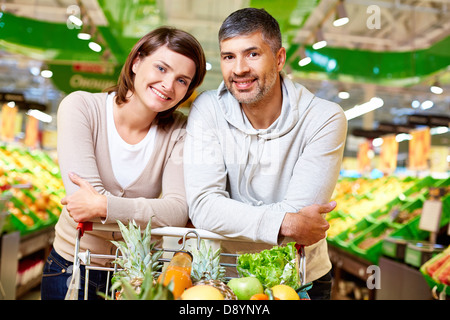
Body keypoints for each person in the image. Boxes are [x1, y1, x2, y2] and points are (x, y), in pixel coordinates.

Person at [183, 8, 347, 300]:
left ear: (280, 58)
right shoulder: (207, 108)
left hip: (298, 279)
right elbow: (204, 208)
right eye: (228, 57)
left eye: (252, 54)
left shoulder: (324, 118)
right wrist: (286, 222)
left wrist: (232, 215)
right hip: (220, 277)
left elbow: (303, 214)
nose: (239, 69)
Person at [41, 26, 206, 300]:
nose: (168, 85)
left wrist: (104, 205)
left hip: (136, 277)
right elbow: (82, 206)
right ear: (137, 61)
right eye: (161, 68)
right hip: (73, 268)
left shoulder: (180, 131)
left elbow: (177, 210)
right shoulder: (81, 108)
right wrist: (143, 213)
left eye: (182, 80)